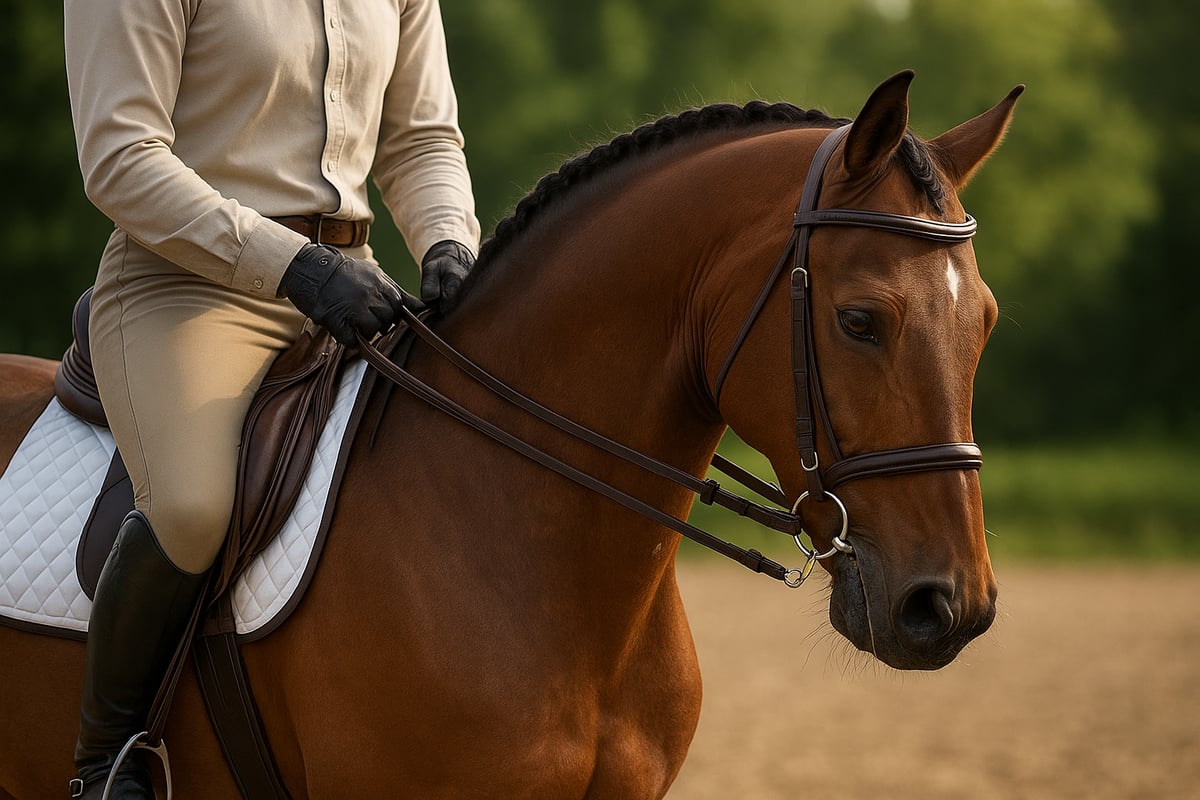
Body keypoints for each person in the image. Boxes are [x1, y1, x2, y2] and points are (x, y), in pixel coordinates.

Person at [62, 0, 481, 796]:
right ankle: (106, 761)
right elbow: (120, 156)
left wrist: (449, 243)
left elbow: (421, 138)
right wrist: (294, 265)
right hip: (184, 286)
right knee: (190, 507)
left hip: (353, 285)